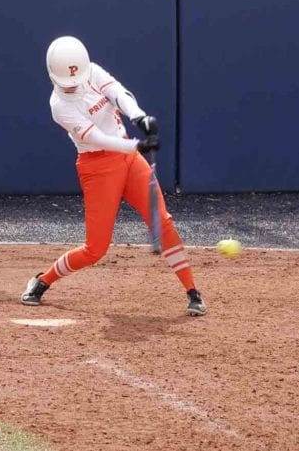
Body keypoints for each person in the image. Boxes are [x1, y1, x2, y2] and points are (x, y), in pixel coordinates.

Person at [21, 35, 206, 316]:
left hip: (129, 160)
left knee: (162, 221)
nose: (72, 86)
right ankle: (43, 279)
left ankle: (192, 291)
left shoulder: (92, 71)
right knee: (95, 249)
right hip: (97, 167)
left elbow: (119, 93)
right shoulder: (58, 105)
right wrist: (136, 145)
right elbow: (96, 137)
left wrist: (140, 117)